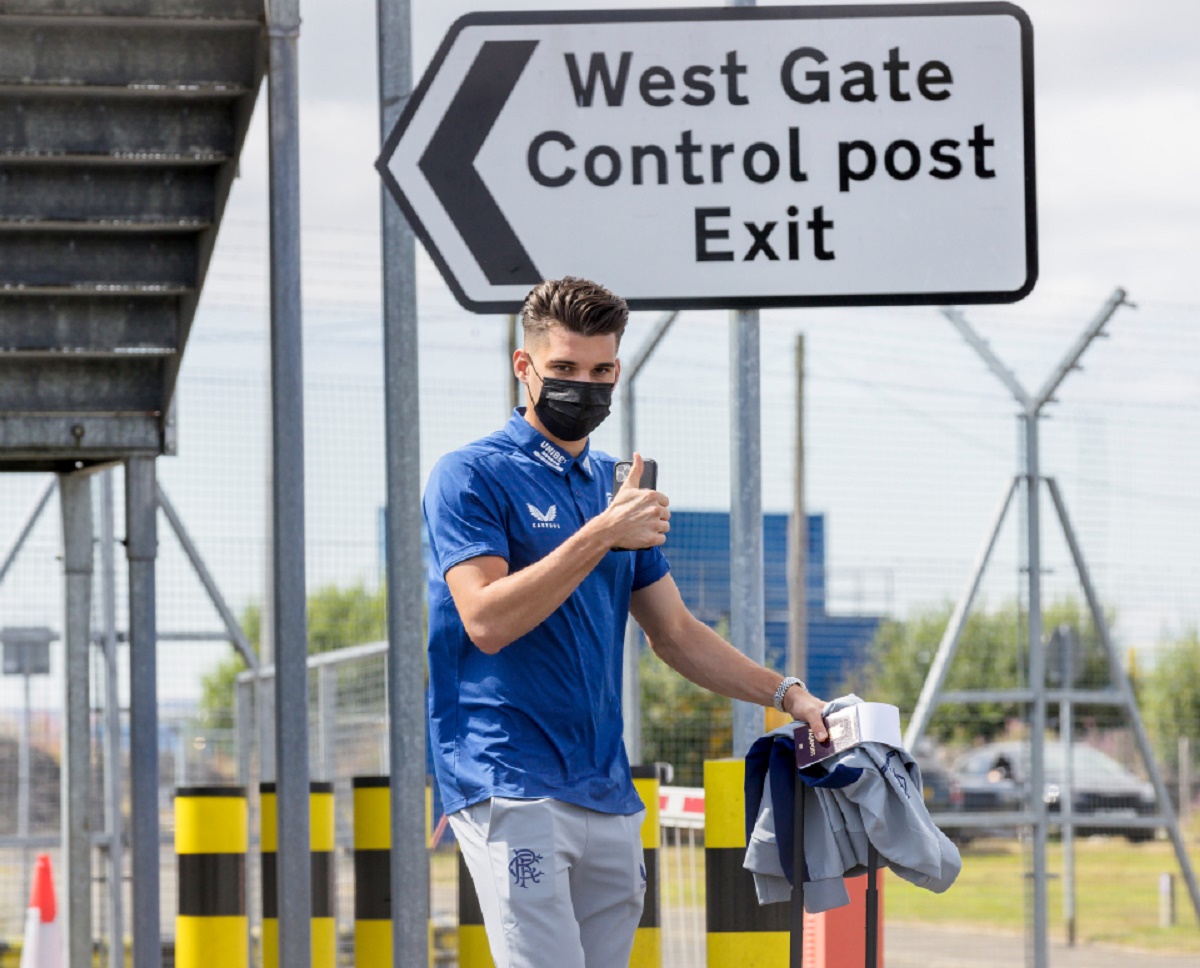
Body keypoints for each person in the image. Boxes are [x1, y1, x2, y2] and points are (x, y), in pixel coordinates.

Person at [423, 276, 828, 968]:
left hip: (605, 790)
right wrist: (602, 534)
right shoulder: (470, 475)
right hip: (507, 780)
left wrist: (787, 696)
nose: (585, 386)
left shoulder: (612, 486)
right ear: (525, 367)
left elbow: (674, 633)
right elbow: (485, 620)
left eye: (602, 370)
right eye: (564, 370)